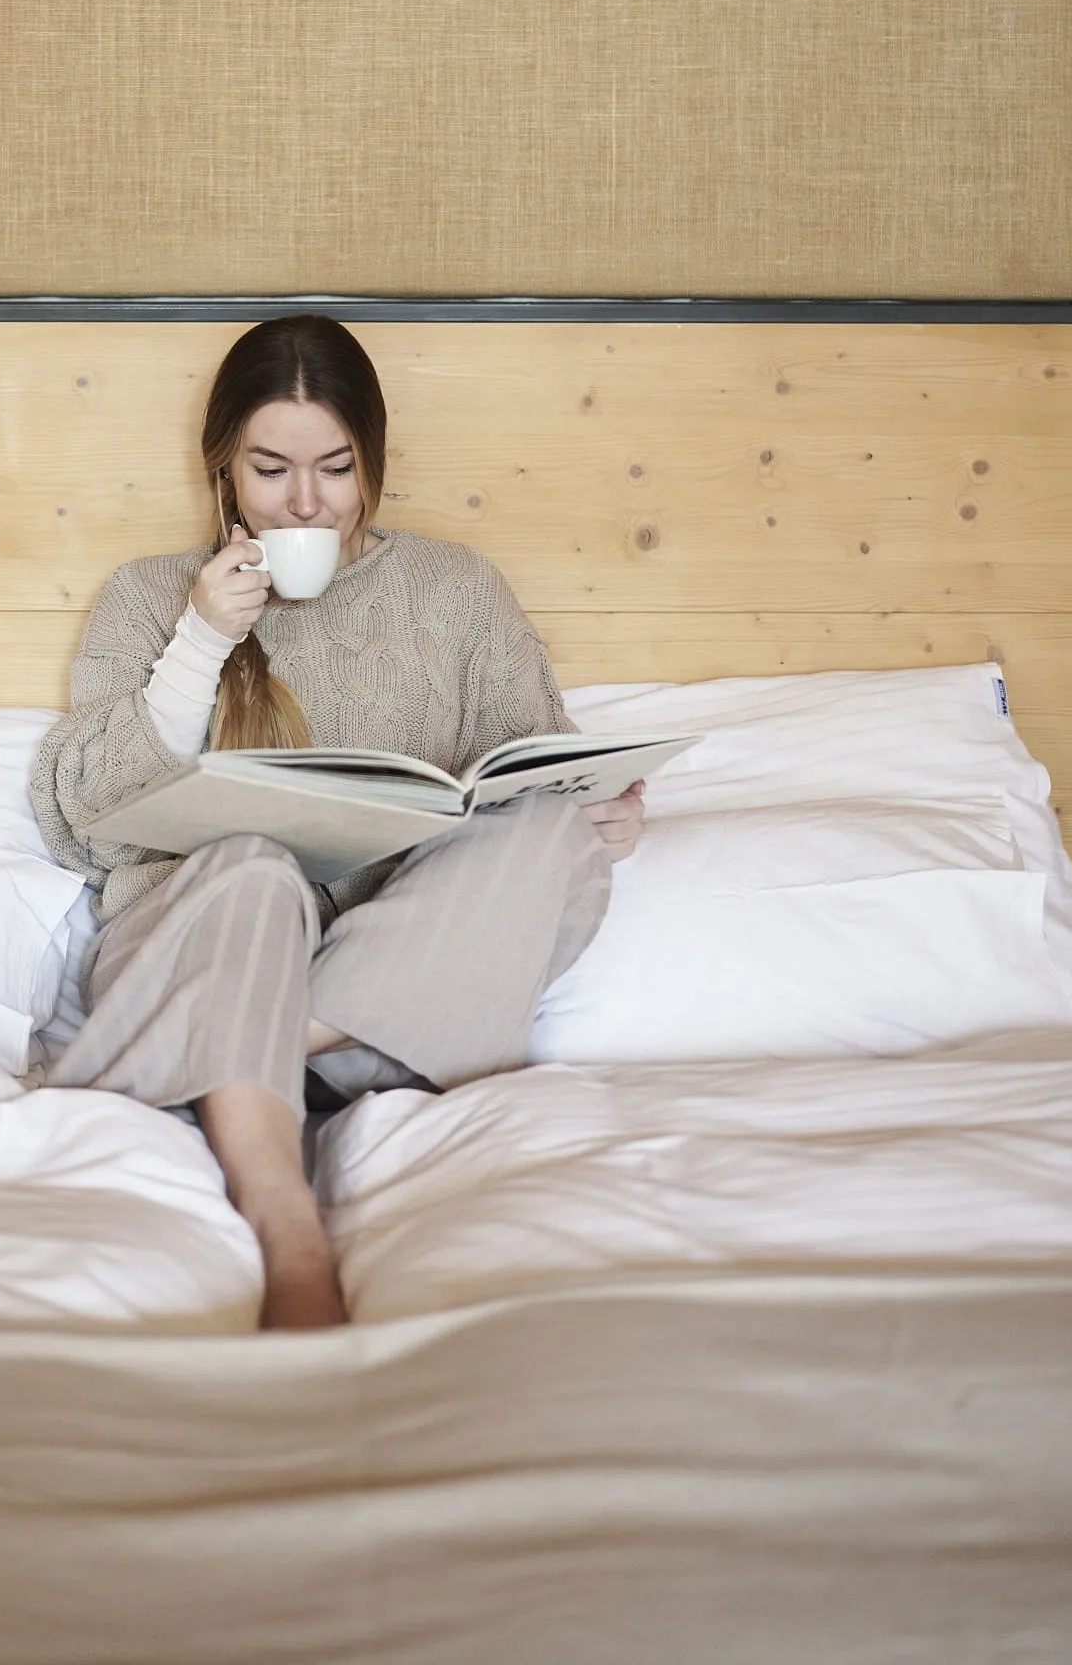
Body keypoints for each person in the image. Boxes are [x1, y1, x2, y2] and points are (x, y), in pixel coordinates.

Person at [33, 315, 643, 1330]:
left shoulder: (455, 592)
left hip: (379, 1011)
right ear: (223, 464)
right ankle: (291, 1231)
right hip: (209, 938)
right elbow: (83, 818)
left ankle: (248, 1038)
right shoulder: (148, 598)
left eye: (335, 468)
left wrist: (599, 812)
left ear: (374, 463)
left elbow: (532, 773)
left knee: (548, 843)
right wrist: (199, 643)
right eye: (272, 469)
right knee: (252, 867)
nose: (306, 501)